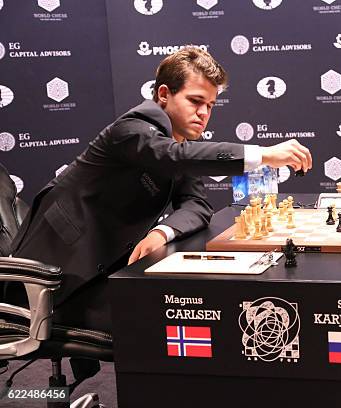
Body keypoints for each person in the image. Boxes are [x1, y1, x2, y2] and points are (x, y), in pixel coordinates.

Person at [10, 46, 312, 332]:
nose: (204, 113)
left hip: (106, 271)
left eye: (210, 105)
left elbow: (197, 204)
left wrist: (161, 232)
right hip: (52, 283)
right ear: (164, 94)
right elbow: (172, 157)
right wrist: (263, 154)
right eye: (195, 101)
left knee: (186, 309)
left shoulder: (180, 141)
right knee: (161, 324)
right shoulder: (133, 129)